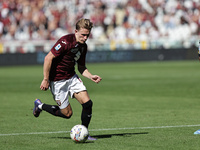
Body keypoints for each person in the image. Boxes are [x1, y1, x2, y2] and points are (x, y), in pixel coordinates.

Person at [33, 18, 102, 140]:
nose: (85, 38)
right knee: (67, 114)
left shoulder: (83, 47)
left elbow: (81, 67)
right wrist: (45, 79)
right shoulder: (65, 41)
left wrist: (90, 76)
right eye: (83, 35)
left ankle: (85, 133)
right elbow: (48, 58)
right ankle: (40, 106)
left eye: (88, 35)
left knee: (88, 104)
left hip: (71, 78)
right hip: (57, 81)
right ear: (76, 31)